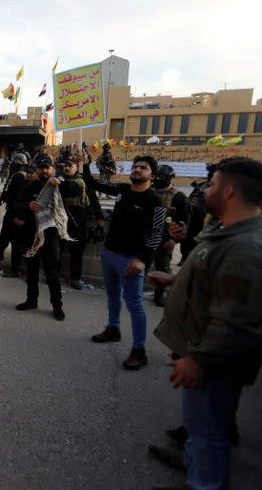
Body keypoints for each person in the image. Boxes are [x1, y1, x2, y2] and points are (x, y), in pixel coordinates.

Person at [146, 157, 262, 490]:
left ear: (230, 191)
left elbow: (237, 321)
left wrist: (198, 359)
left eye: (213, 184)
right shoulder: (228, 231)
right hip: (202, 350)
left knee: (208, 432)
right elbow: (215, 282)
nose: (207, 189)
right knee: (199, 426)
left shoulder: (246, 248)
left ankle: (205, 482)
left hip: (214, 362)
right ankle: (195, 472)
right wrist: (175, 280)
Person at [79, 152, 165, 371]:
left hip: (131, 260)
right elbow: (91, 183)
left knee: (134, 304)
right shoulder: (123, 190)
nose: (137, 170)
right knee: (112, 296)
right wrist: (86, 164)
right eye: (135, 166)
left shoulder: (155, 201)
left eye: (143, 168)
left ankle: (139, 350)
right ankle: (113, 329)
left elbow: (156, 234)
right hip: (109, 254)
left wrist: (142, 260)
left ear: (152, 176)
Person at [12, 155, 66, 320]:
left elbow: (78, 188)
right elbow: (16, 204)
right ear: (37, 169)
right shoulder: (31, 186)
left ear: (52, 169)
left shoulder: (60, 184)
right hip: (32, 235)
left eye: (47, 167)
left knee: (52, 273)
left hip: (51, 236)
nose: (44, 170)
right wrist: (28, 205)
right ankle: (31, 300)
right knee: (32, 271)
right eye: (41, 167)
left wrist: (62, 182)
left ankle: (57, 306)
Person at [60, 158, 102, 290]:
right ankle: (53, 274)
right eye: (65, 165)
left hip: (78, 218)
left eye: (70, 165)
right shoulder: (58, 181)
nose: (67, 168)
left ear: (77, 168)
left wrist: (99, 218)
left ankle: (75, 278)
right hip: (61, 217)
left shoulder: (83, 183)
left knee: (77, 251)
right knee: (57, 248)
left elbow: (93, 200)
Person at [151, 164, 190, 306]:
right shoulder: (149, 192)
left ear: (171, 178)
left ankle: (159, 296)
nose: (159, 179)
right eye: (158, 177)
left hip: (166, 239)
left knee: (163, 267)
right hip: (147, 237)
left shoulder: (179, 197)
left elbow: (184, 221)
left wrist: (174, 240)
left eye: (163, 177)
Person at [0, 154, 29, 267]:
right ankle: (0, 252)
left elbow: (15, 195)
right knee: (5, 233)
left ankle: (13, 261)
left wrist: (6, 197)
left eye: (13, 164)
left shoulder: (19, 176)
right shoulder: (18, 175)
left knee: (11, 235)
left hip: (14, 210)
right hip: (14, 209)